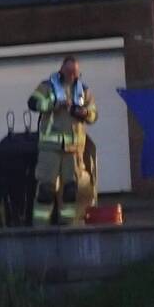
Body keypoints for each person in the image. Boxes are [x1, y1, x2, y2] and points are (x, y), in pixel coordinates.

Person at [27, 55, 97, 226]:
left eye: (75, 72)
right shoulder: (48, 86)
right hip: (50, 147)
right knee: (46, 189)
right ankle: (40, 226)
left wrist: (84, 113)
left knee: (71, 190)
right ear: (62, 70)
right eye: (68, 71)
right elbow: (33, 102)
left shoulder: (83, 90)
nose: (71, 75)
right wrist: (52, 105)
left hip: (74, 150)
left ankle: (69, 224)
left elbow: (93, 114)